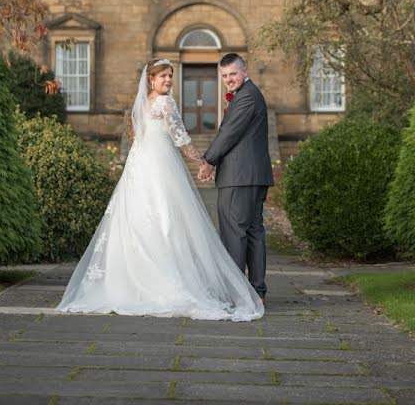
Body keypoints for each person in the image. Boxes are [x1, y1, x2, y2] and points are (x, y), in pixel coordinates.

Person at [57, 59, 264, 321]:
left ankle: (135, 284)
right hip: (157, 171)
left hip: (140, 171)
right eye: (163, 76)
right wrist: (203, 162)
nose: (167, 81)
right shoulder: (165, 103)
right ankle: (165, 284)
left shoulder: (142, 105)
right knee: (165, 222)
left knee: (144, 223)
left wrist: (206, 161)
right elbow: (181, 139)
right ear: (150, 79)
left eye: (170, 76)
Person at [198, 54, 273, 304]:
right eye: (225, 76)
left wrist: (208, 160)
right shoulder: (248, 94)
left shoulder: (247, 97)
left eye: (233, 74)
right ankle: (256, 292)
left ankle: (237, 293)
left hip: (239, 176)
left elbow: (229, 133)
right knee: (253, 232)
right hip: (251, 175)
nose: (229, 80)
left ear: (245, 71)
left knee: (235, 234)